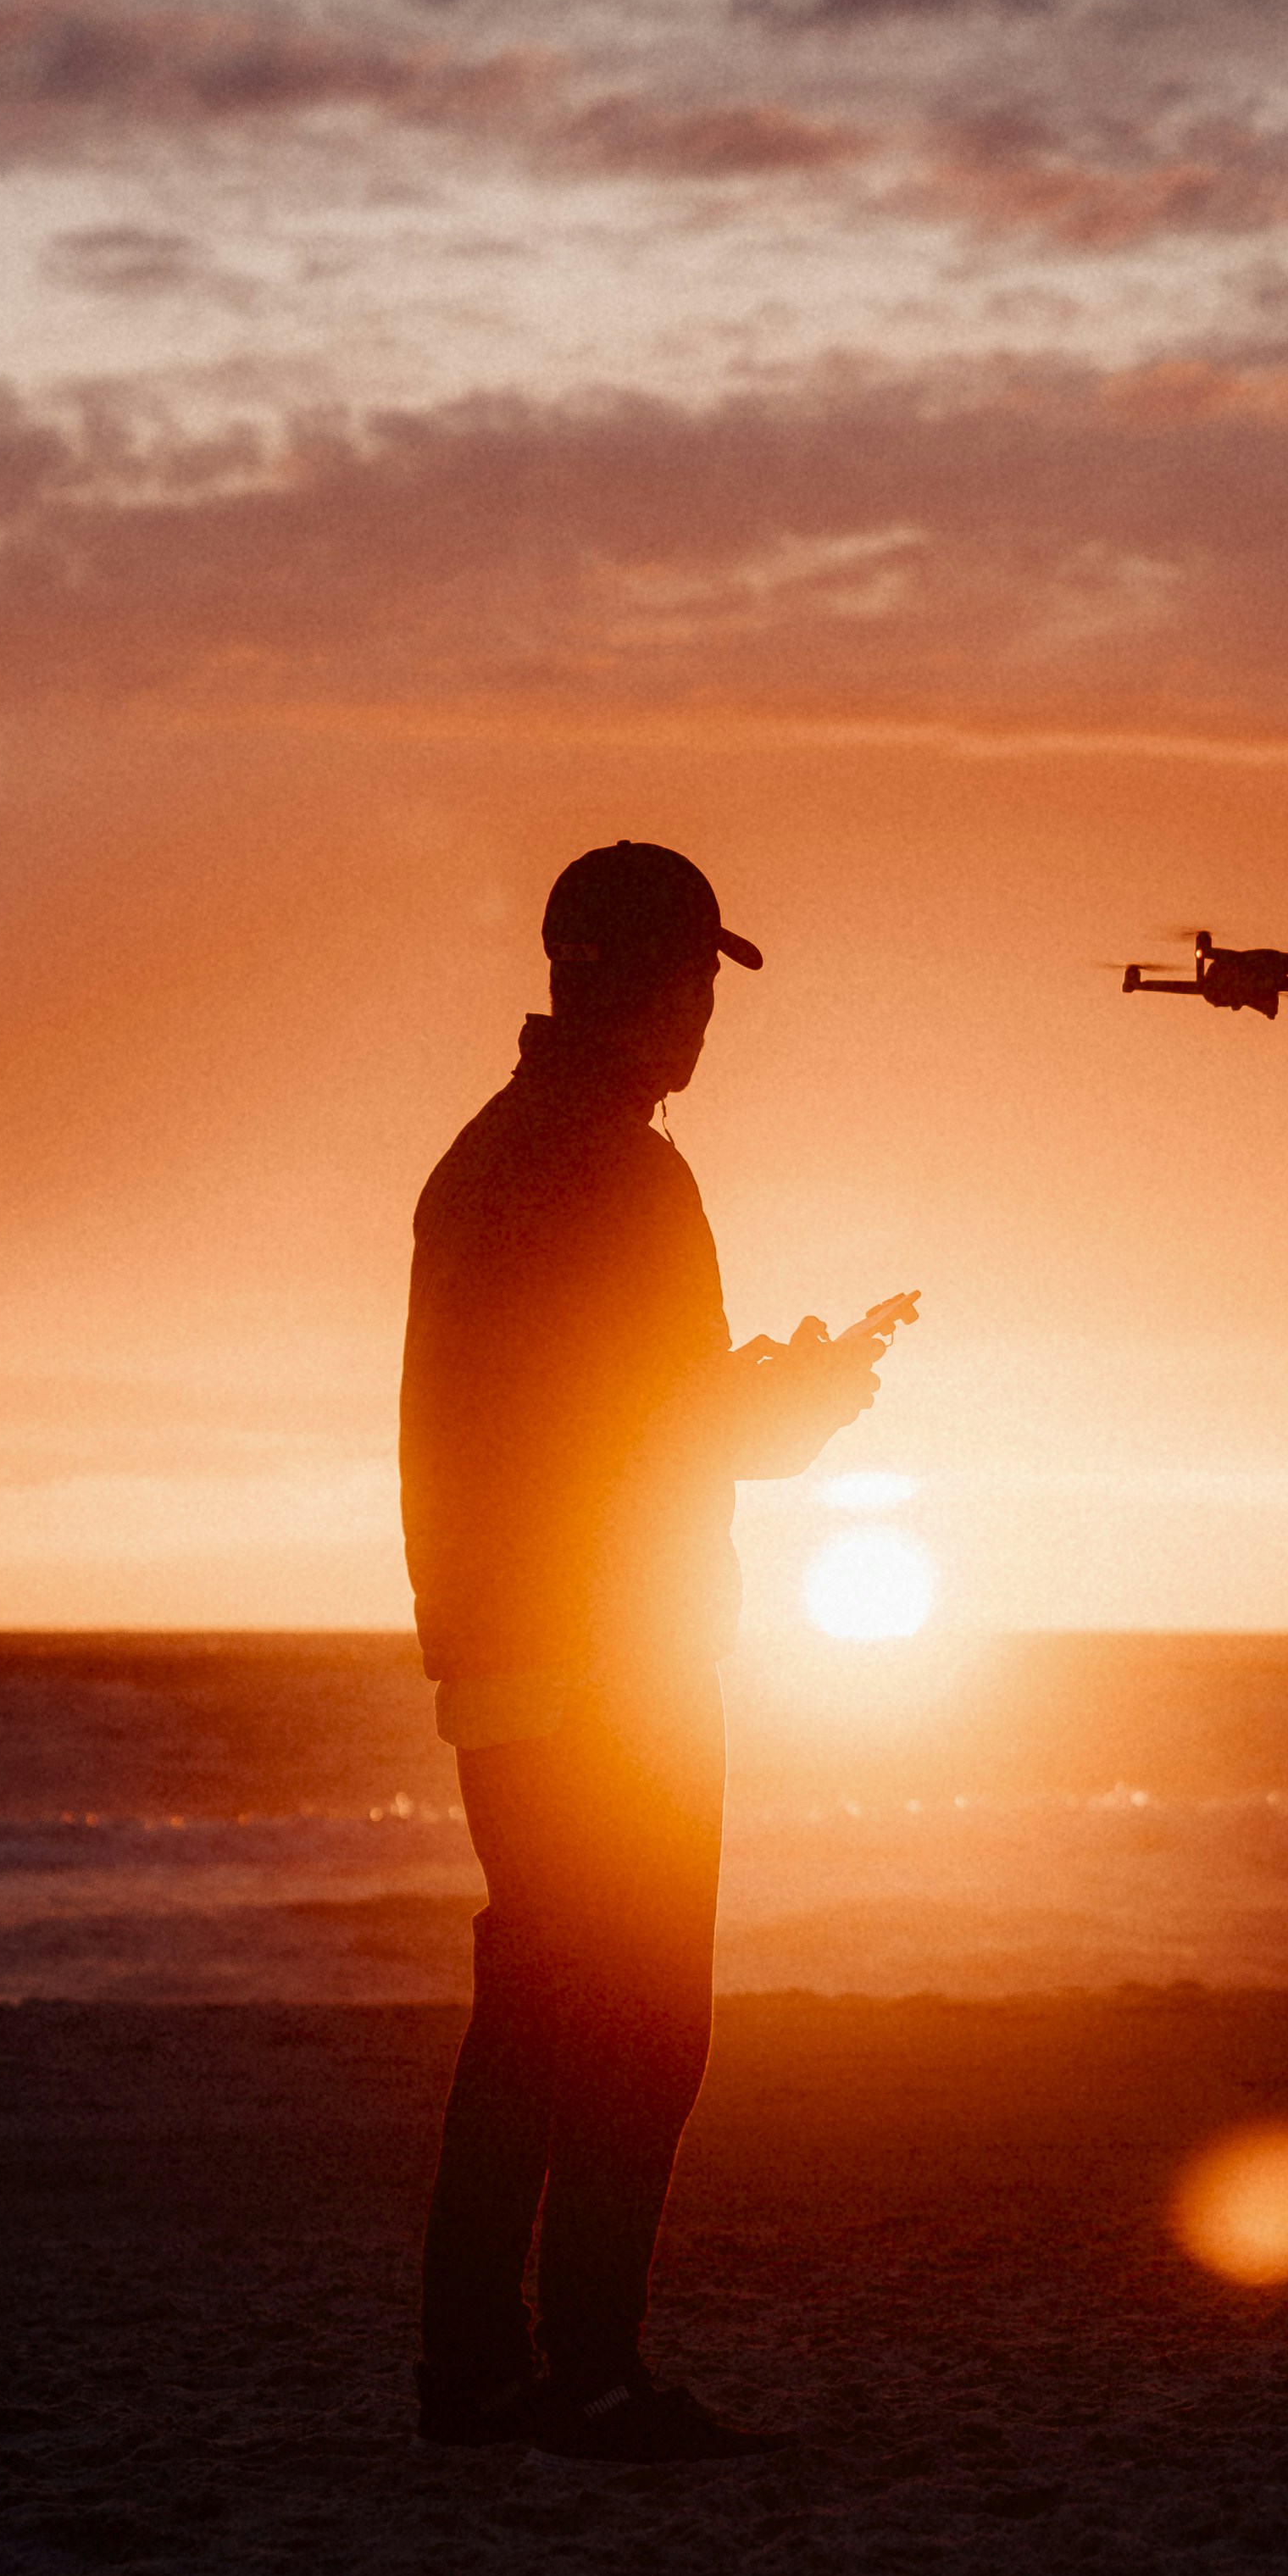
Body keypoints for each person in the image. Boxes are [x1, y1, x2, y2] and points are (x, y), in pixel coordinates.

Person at [400, 838, 906, 2456]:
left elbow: (576, 1416)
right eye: (688, 976)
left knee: (539, 2013)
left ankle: (480, 2373)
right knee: (636, 2026)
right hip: (610, 1662)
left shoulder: (487, 1161)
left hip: (509, 1652)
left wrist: (763, 1391)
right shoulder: (613, 1171)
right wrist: (805, 1397)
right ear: (610, 980)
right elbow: (667, 1432)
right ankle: (582, 2371)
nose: (703, 1010)